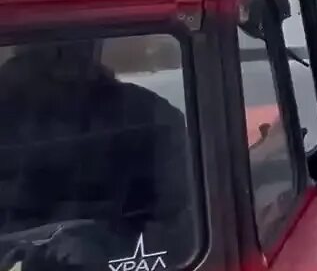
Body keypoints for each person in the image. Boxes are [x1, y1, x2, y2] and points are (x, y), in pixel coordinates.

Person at [0, 39, 192, 258]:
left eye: (70, 44)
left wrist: (105, 245)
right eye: (47, 48)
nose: (59, 57)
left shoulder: (147, 115)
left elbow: (182, 220)